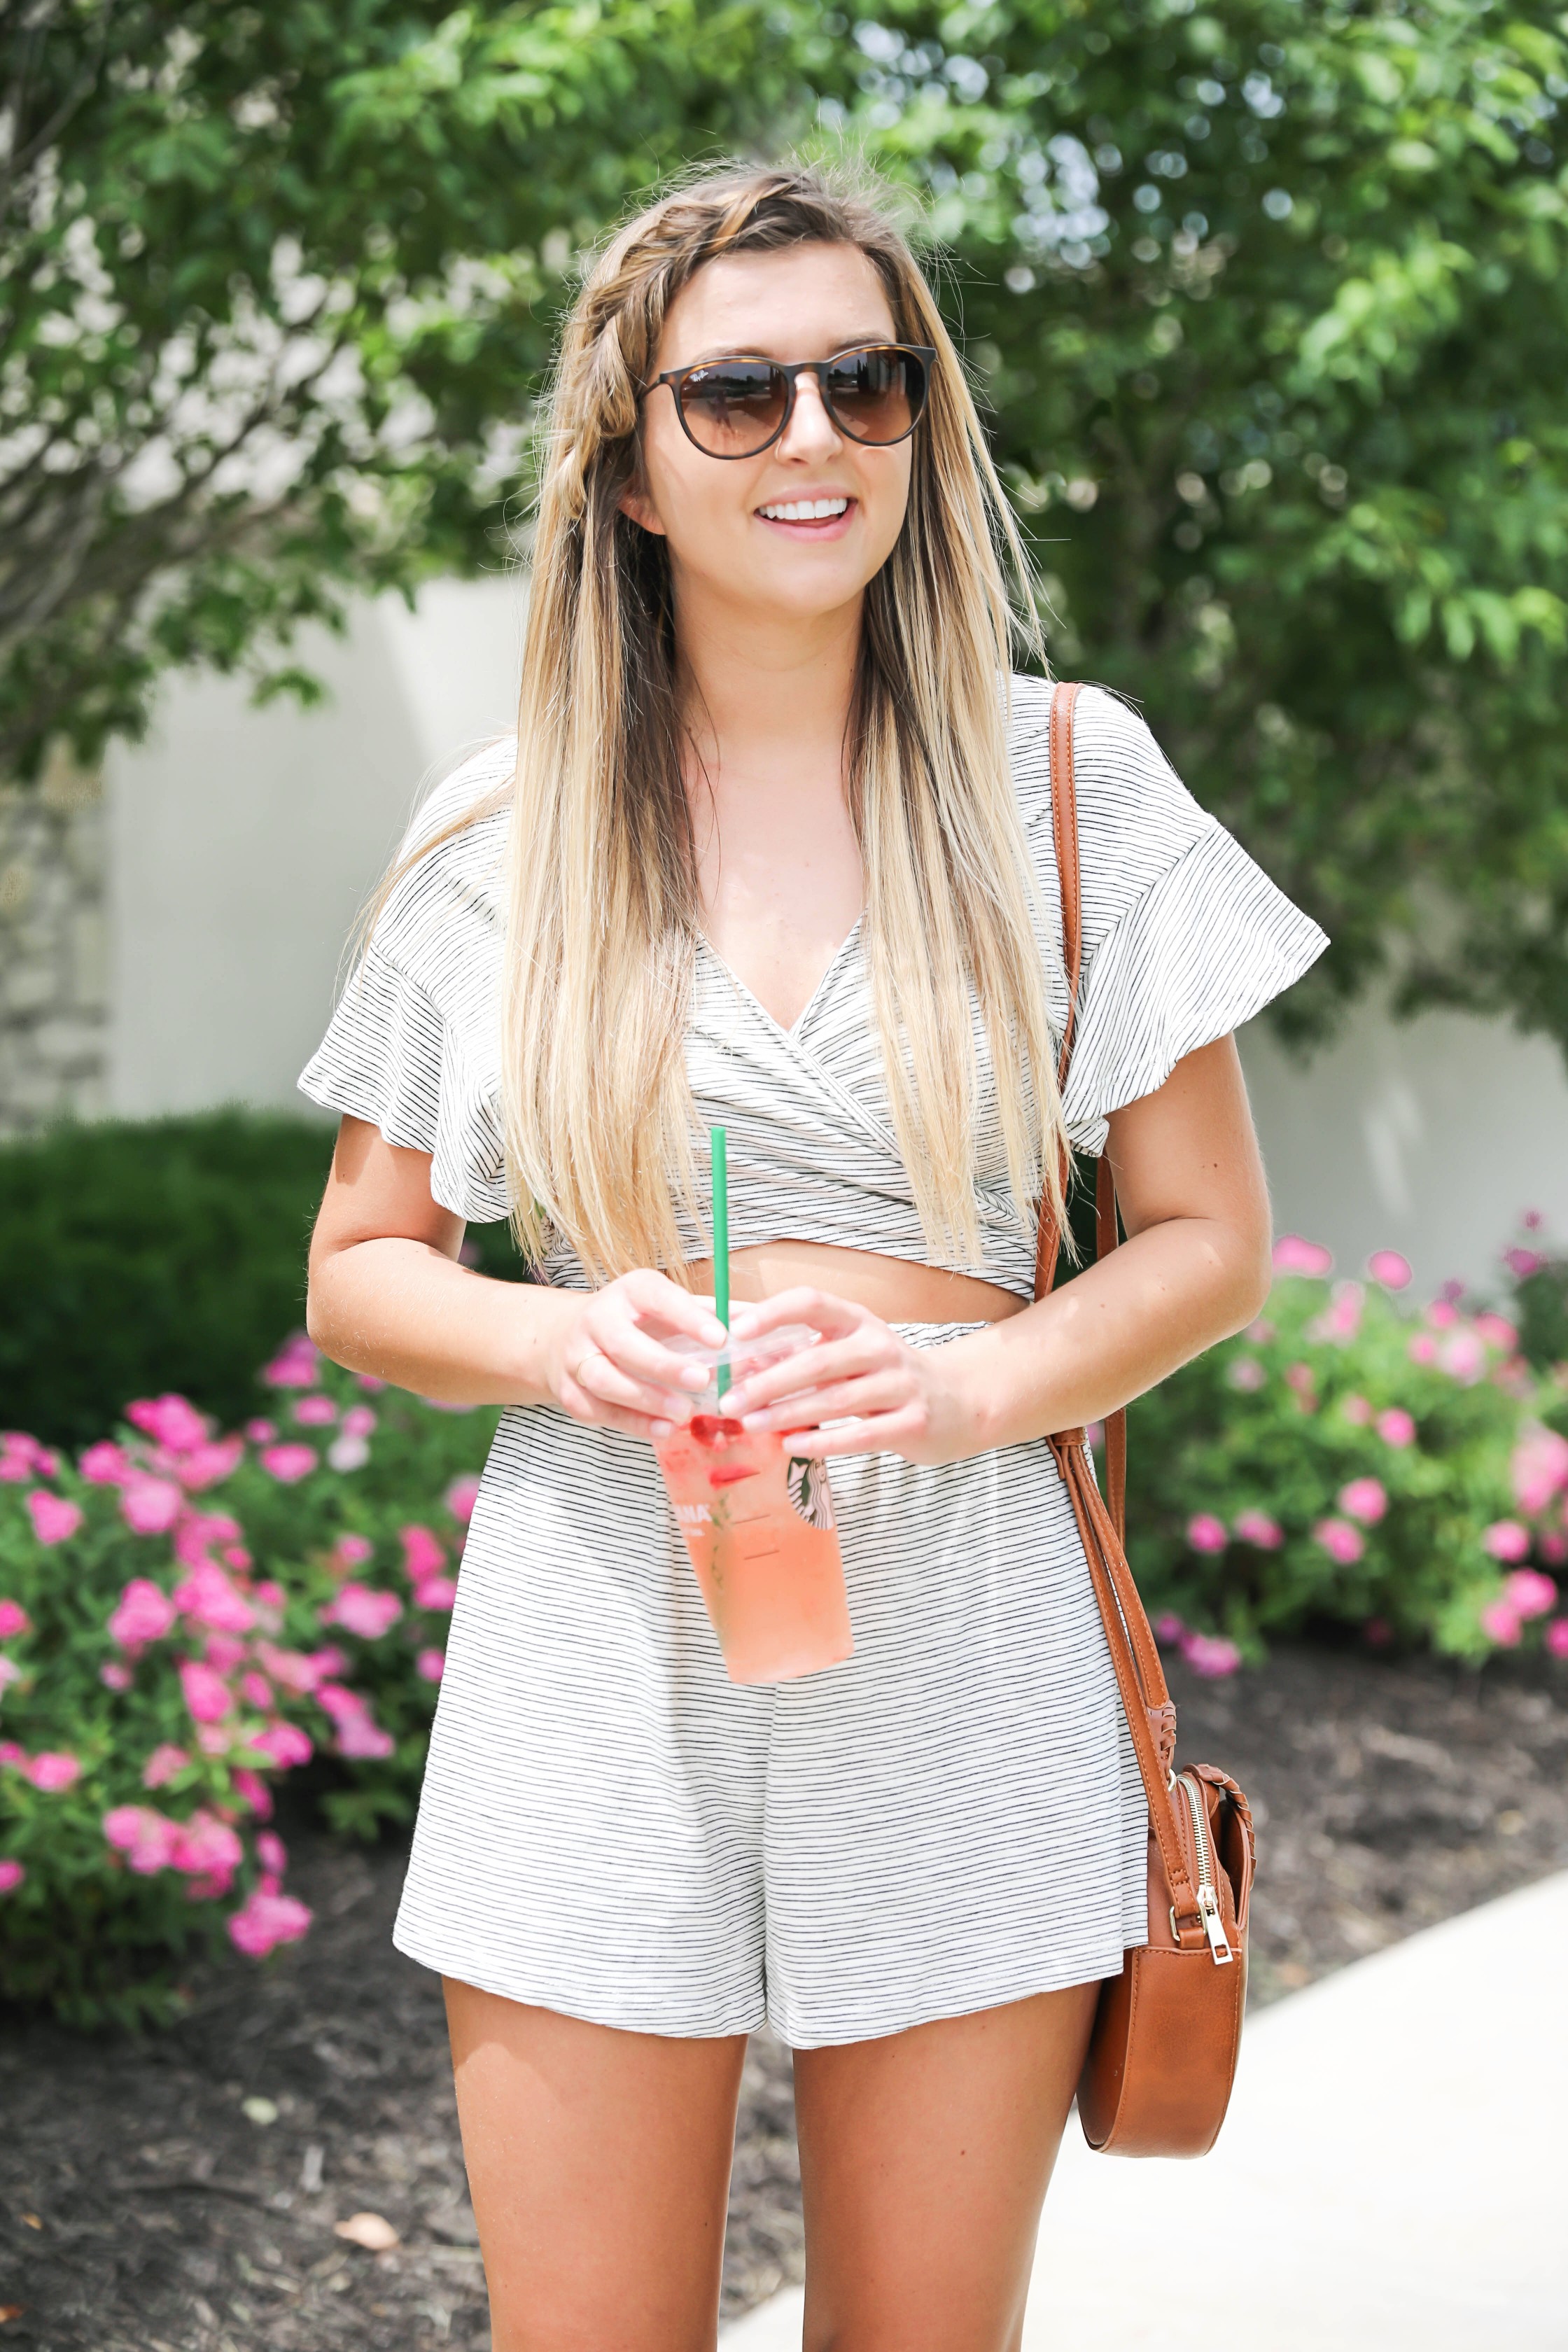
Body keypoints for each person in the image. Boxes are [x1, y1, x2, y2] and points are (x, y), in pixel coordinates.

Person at [301, 162, 1326, 2352]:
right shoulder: (499, 832)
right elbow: (367, 1268)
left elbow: (1215, 1242)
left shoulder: (1070, 783)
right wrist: (570, 1335)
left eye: (870, 383)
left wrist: (966, 1390)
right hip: (602, 1618)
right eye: (739, 394)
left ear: (923, 426)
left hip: (968, 1633)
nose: (814, 441)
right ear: (629, 460)